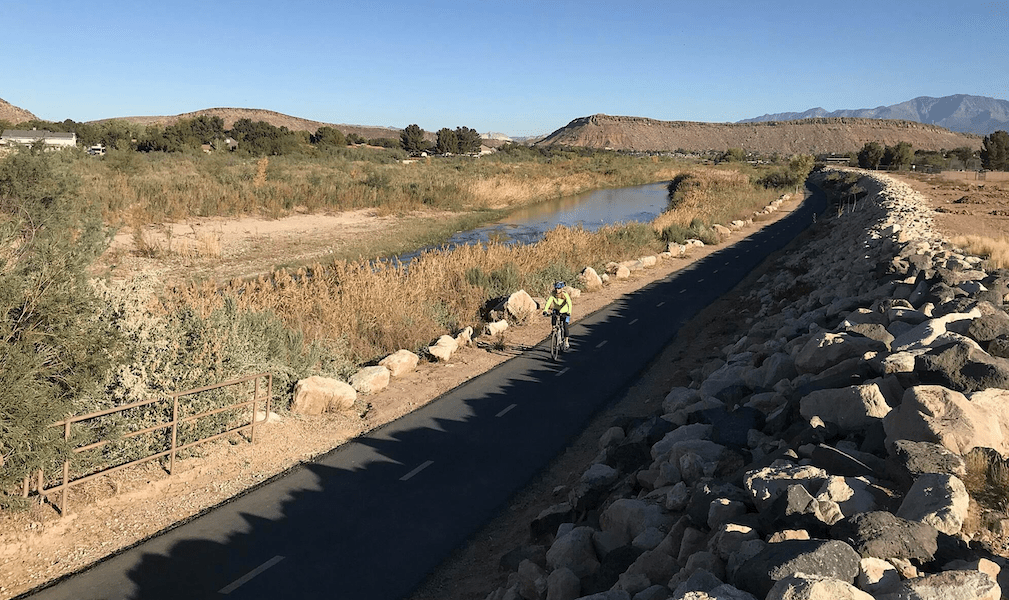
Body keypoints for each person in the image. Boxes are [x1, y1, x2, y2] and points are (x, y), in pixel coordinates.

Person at [542, 281, 572, 350]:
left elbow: (569, 303)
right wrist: (545, 310)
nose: (557, 290)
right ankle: (554, 331)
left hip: (565, 311)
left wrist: (569, 312)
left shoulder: (565, 294)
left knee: (565, 326)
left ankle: (566, 341)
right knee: (553, 317)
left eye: (558, 288)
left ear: (561, 289)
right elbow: (549, 301)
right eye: (556, 288)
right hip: (556, 310)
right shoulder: (553, 294)